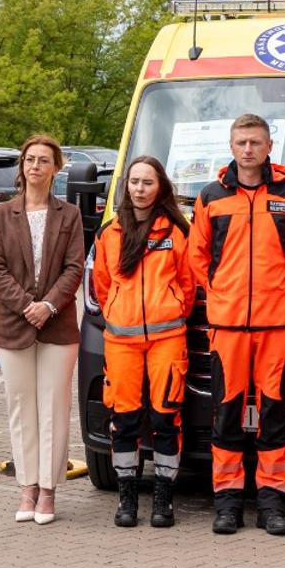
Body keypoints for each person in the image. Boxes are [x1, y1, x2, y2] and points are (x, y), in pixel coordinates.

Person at [187, 113, 285, 536]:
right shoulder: (210, 197)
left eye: (256, 142)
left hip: (277, 327)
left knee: (274, 415)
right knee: (226, 414)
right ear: (231, 146)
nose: (248, 149)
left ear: (268, 147)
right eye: (242, 142)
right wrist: (220, 292)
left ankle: (271, 502)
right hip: (227, 327)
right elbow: (197, 256)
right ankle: (227, 503)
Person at [0, 134, 85, 525]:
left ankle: (48, 490)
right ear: (22, 166)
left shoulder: (70, 215)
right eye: (30, 159)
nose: (35, 166)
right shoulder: (0, 214)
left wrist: (49, 306)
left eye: (44, 160)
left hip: (58, 326)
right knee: (21, 407)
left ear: (56, 168)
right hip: (14, 325)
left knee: (54, 408)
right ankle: (27, 487)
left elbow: (74, 268)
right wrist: (28, 306)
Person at [89, 155, 192, 528]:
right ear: (126, 185)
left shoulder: (177, 231)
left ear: (160, 187)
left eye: (148, 182)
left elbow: (188, 283)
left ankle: (164, 499)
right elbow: (103, 285)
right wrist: (120, 313)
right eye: (134, 182)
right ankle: (127, 498)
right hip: (121, 342)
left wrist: (172, 308)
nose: (140, 189)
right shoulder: (109, 233)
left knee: (166, 418)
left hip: (168, 339)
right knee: (124, 421)